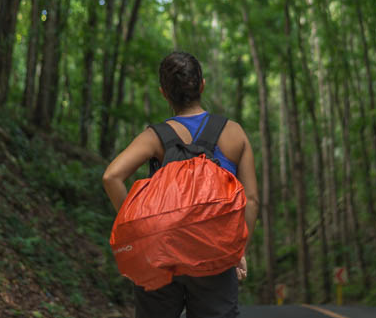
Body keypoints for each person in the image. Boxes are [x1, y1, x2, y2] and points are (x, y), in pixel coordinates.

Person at [102, 51, 259, 318]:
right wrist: (238, 250)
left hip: (162, 255)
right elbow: (252, 199)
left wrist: (140, 231)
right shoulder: (234, 133)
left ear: (164, 93)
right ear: (202, 85)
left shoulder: (154, 137)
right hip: (215, 253)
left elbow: (111, 176)